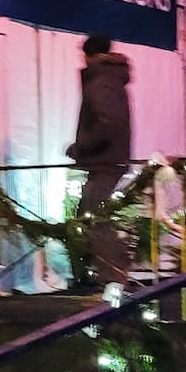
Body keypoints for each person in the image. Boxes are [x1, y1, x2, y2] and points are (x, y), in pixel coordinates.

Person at [67, 35, 132, 287]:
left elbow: (108, 124)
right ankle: (103, 277)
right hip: (106, 160)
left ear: (90, 56)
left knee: (95, 219)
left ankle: (113, 280)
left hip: (105, 161)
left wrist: (82, 147)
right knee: (91, 217)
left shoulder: (102, 81)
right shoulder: (110, 79)